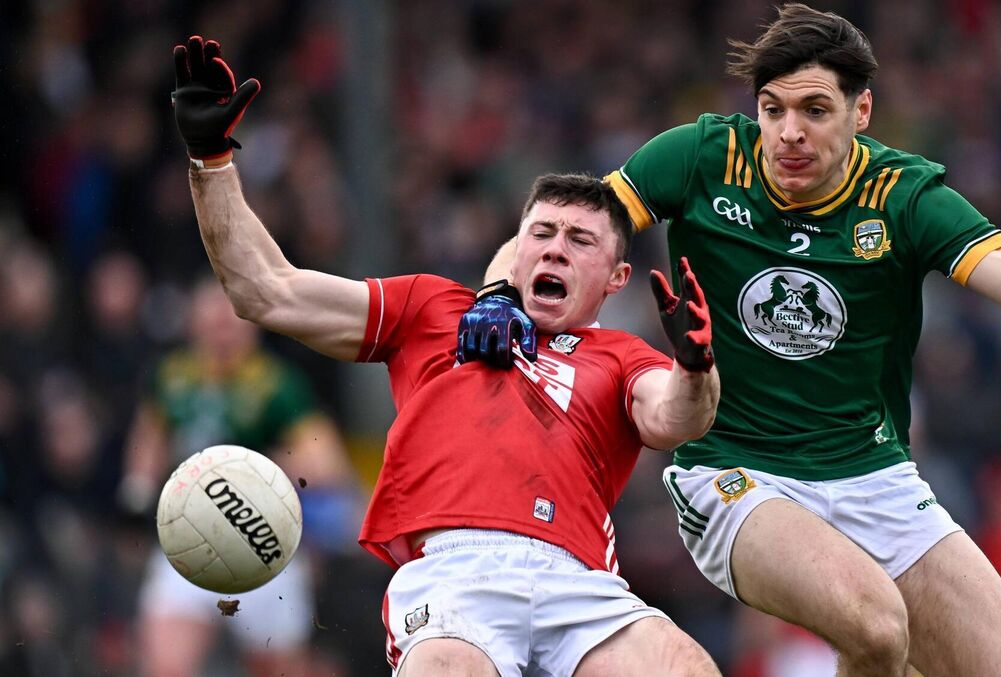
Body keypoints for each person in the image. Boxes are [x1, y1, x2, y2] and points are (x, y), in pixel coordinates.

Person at [458, 4, 1001, 676]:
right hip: (736, 474)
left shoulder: (900, 195)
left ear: (861, 112)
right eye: (773, 109)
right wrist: (497, 296)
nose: (789, 132)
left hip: (874, 476)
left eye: (815, 110)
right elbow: (554, 234)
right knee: (875, 624)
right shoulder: (699, 158)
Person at [169, 35, 723, 676]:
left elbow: (676, 418)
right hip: (458, 575)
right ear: (516, 251)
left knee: (686, 668)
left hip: (580, 582)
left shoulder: (622, 354)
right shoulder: (435, 309)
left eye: (579, 240)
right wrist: (211, 161)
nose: (553, 250)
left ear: (618, 277)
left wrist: (695, 365)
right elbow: (266, 290)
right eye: (540, 233)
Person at [120, 278, 359, 677]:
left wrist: (248, 472)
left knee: (276, 668)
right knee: (165, 663)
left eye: (230, 318)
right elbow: (149, 439)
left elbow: (325, 462)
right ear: (193, 322)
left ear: (251, 324)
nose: (221, 327)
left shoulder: (276, 384)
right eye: (211, 317)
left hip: (261, 543)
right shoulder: (173, 376)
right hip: (190, 537)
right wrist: (136, 491)